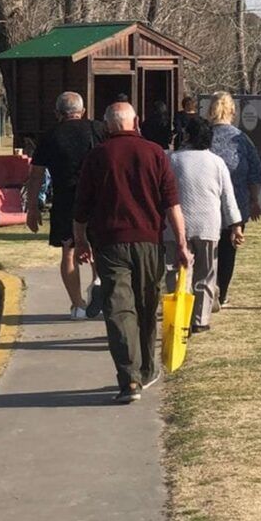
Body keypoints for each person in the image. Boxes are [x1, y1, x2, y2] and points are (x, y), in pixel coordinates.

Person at [72, 102, 189, 404]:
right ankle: (147, 368)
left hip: (110, 244)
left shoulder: (96, 156)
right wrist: (182, 244)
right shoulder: (155, 154)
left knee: (119, 309)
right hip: (149, 242)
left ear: (108, 125)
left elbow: (81, 208)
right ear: (135, 122)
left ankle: (130, 379)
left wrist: (81, 241)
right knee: (147, 305)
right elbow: (172, 205)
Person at [25, 91, 107, 318]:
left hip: (65, 199)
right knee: (98, 247)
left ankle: (77, 304)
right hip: (96, 198)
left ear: (57, 113)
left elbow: (36, 175)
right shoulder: (98, 129)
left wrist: (33, 207)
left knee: (68, 252)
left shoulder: (50, 136)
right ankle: (98, 281)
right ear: (83, 111)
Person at [166, 117, 243, 334]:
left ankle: (180, 316)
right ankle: (201, 319)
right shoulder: (217, 162)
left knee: (178, 272)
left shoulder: (173, 160)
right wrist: (235, 225)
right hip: (208, 224)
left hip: (176, 225)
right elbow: (228, 196)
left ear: (187, 135)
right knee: (207, 272)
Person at [207, 91, 261, 308]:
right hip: (237, 203)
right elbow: (255, 172)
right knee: (228, 249)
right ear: (232, 111)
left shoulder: (203, 137)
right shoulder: (242, 140)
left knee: (206, 249)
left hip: (208, 201)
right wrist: (254, 199)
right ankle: (222, 291)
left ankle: (208, 287)